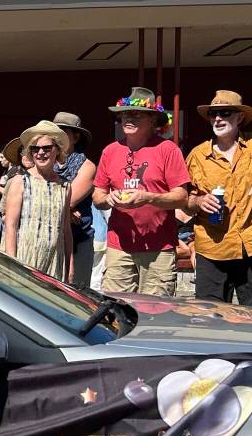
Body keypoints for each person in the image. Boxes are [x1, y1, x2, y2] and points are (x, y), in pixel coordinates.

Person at [92, 86, 190, 296]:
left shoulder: (168, 150)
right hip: (119, 245)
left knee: (155, 312)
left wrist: (149, 197)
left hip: (159, 246)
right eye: (125, 114)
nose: (128, 118)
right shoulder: (110, 151)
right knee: (116, 308)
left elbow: (182, 197)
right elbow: (97, 195)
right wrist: (109, 198)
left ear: (153, 120)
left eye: (136, 114)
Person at [184, 90, 252, 304]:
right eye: (213, 114)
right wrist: (198, 201)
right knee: (209, 317)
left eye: (225, 113)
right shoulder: (197, 155)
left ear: (240, 117)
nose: (218, 119)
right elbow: (183, 200)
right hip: (213, 248)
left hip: (250, 247)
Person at [0, 122, 73, 281]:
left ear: (57, 150)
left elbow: (66, 230)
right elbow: (10, 225)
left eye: (46, 148)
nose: (41, 153)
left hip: (54, 263)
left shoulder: (65, 186)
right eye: (35, 149)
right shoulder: (20, 181)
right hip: (24, 260)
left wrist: (70, 266)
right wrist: (12, 264)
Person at [52, 112, 97, 288]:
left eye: (63, 132)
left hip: (79, 240)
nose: (58, 137)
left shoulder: (87, 166)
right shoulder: (44, 161)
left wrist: (67, 208)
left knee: (77, 293)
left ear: (76, 137)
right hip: (49, 239)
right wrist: (67, 210)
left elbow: (66, 201)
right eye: (55, 132)